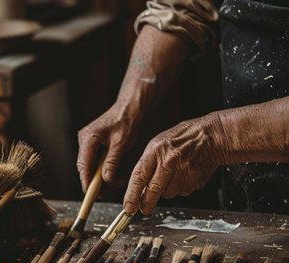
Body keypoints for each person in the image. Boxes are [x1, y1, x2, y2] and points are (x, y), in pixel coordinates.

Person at [77, 0, 289, 216]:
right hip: (245, 188)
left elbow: (219, 138)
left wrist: (220, 137)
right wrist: (127, 107)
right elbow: (180, 8)